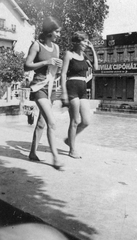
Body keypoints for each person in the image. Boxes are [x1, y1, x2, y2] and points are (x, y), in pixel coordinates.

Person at [24, 16, 63, 170]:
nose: (59, 35)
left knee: (41, 123)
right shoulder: (36, 45)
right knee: (52, 123)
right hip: (38, 87)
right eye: (57, 32)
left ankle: (33, 153)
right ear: (49, 32)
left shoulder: (57, 48)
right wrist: (46, 62)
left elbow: (53, 70)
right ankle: (55, 158)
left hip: (51, 87)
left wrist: (57, 65)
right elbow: (26, 66)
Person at [60, 31, 98, 159]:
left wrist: (92, 50)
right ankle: (72, 149)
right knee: (75, 121)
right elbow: (63, 74)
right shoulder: (69, 54)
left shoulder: (85, 57)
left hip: (82, 89)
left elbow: (96, 68)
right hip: (71, 87)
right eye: (84, 41)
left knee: (86, 121)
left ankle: (69, 140)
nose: (86, 44)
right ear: (77, 42)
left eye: (87, 42)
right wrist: (64, 93)